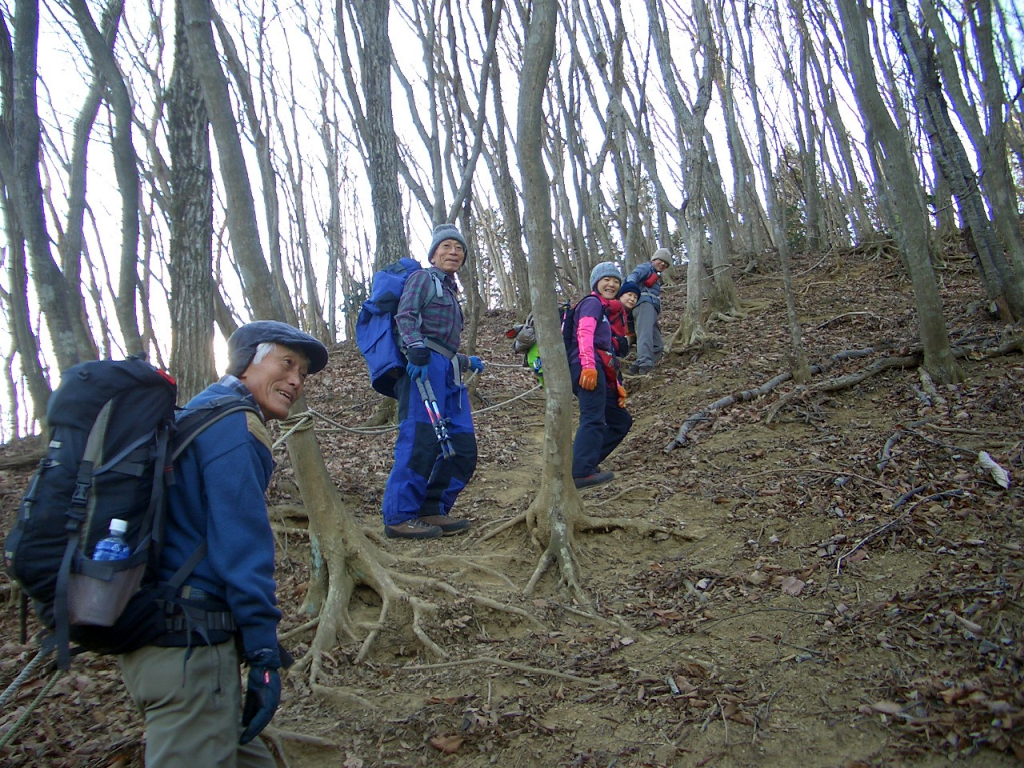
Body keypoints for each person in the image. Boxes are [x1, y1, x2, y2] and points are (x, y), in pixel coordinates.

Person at [119, 320, 329, 768]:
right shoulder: (234, 426)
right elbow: (242, 545)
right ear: (245, 362)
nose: (296, 380)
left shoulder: (198, 413)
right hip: (190, 649)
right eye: (287, 363)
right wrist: (262, 650)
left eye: (303, 374)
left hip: (161, 642)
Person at [381, 223, 484, 540]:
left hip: (449, 370)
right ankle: (399, 516)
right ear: (434, 253)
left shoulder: (451, 291)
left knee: (462, 446)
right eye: (446, 247)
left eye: (459, 249)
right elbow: (406, 315)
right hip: (423, 370)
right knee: (421, 440)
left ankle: (432, 508)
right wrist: (414, 349)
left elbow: (444, 340)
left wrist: (466, 361)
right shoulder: (422, 278)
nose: (453, 252)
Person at [568, 262, 633, 489]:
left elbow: (610, 351)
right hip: (587, 366)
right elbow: (584, 334)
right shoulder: (592, 303)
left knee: (620, 420)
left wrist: (618, 386)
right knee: (593, 417)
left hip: (601, 370)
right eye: (606, 279)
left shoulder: (607, 311)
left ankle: (583, 462)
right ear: (596, 282)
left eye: (616, 281)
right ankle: (580, 472)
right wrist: (588, 366)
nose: (612, 284)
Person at [625, 248, 672, 375]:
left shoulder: (656, 275)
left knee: (658, 346)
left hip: (651, 308)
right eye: (660, 261)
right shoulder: (646, 267)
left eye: (665, 264)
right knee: (645, 335)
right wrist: (630, 289)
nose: (662, 264)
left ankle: (636, 365)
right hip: (644, 305)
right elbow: (633, 276)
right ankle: (645, 365)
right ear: (654, 259)